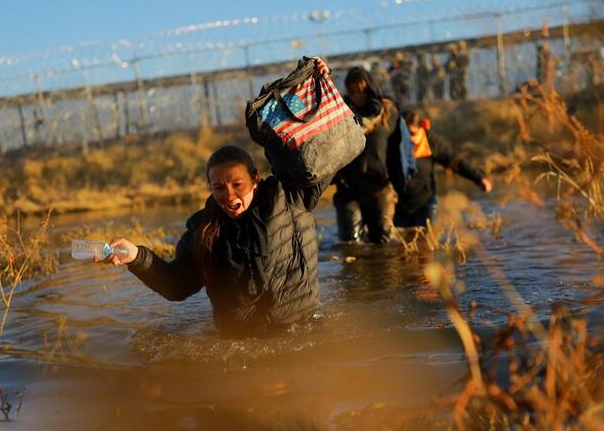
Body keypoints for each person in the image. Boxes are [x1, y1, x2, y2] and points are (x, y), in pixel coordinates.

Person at [105, 145, 333, 336]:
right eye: (219, 188)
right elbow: (175, 286)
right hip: (241, 345)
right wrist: (134, 256)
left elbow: (328, 152)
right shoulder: (202, 232)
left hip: (303, 333)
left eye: (237, 184)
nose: (230, 195)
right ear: (210, 189)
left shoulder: (291, 198)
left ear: (254, 179)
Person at [332, 67, 401, 244]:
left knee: (384, 243)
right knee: (350, 244)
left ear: (370, 88)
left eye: (361, 90)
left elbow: (398, 148)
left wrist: (401, 181)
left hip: (379, 187)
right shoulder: (341, 115)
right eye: (352, 92)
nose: (357, 96)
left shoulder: (387, 111)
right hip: (348, 187)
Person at [393, 110, 492, 228]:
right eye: (405, 134)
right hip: (399, 204)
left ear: (421, 129)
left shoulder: (431, 142)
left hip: (425, 201)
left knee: (426, 239)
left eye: (412, 133)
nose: (409, 138)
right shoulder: (394, 143)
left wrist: (478, 178)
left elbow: (454, 161)